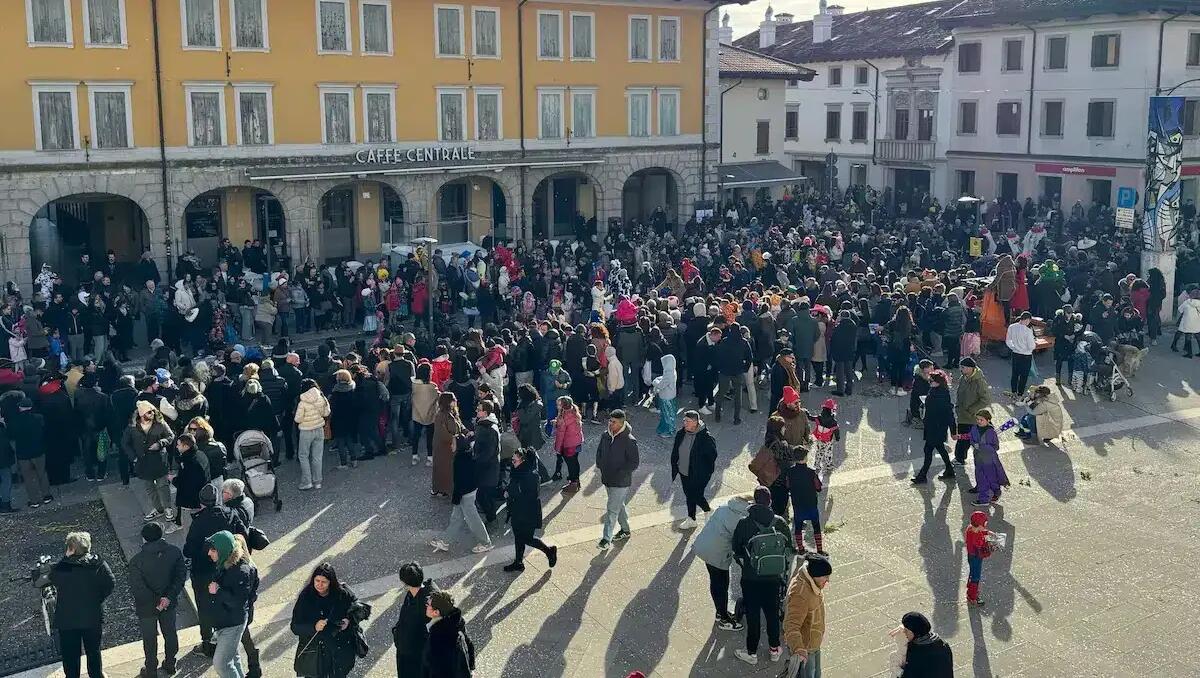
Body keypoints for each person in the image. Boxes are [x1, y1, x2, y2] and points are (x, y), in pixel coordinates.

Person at [731, 486, 796, 665]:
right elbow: (789, 547)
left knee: (753, 616)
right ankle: (775, 649)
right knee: (772, 614)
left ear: (753, 501)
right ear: (770, 502)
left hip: (751, 577)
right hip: (774, 577)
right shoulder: (779, 522)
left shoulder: (744, 523)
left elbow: (736, 548)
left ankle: (751, 653)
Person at [185, 484, 248, 658]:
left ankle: (208, 645)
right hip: (227, 567)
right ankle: (226, 641)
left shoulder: (199, 521)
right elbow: (242, 534)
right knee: (225, 603)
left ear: (201, 502)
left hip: (203, 572)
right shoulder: (230, 513)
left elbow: (189, 549)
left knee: (204, 608)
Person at [50, 531, 115, 678]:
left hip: (67, 619)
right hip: (92, 616)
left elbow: (53, 578)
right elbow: (110, 584)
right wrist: (98, 599)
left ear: (70, 549)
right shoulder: (98, 563)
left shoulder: (65, 567)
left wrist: (65, 558)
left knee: (70, 655)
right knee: (93, 651)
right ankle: (96, 675)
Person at [290, 562, 370, 678]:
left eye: (324, 582)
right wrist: (314, 627)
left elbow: (362, 609)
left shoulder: (342, 593)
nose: (320, 585)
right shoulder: (306, 597)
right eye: (317, 581)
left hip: (340, 650)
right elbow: (295, 626)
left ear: (331, 582)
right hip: (317, 655)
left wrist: (349, 620)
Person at [128, 522, 186, 678]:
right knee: (170, 633)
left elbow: (138, 587)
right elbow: (180, 577)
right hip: (169, 603)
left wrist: (155, 603)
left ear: (144, 539)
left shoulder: (136, 561)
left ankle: (151, 670)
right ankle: (170, 663)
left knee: (150, 639)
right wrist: (167, 598)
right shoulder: (174, 552)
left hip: (146, 607)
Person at [202, 531, 259, 678]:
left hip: (232, 623)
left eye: (213, 550)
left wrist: (218, 591)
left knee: (221, 663)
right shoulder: (226, 564)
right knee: (232, 658)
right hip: (225, 620)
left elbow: (238, 601)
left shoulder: (240, 572)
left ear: (223, 550)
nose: (209, 553)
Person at [429, 421, 492, 554]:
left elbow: (459, 483)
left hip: (465, 493)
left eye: (453, 443)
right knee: (457, 518)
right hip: (470, 490)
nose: (451, 445)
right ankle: (445, 541)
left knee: (472, 518)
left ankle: (486, 542)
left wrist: (456, 498)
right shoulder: (468, 455)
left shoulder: (459, 460)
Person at [690, 494, 749, 631]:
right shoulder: (741, 519)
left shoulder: (723, 508)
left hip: (704, 547)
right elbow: (739, 541)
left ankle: (719, 611)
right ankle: (724, 619)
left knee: (715, 581)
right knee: (722, 584)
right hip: (718, 553)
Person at [502, 447, 559, 573]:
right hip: (517, 510)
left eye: (515, 461)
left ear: (523, 461)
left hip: (528, 512)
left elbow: (529, 496)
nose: (512, 463)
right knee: (518, 536)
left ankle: (549, 551)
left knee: (526, 538)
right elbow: (512, 485)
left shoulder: (531, 476)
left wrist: (510, 493)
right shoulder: (517, 471)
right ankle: (518, 562)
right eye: (512, 460)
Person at [123, 400, 176, 523]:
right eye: (148, 412)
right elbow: (125, 443)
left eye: (152, 410)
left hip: (159, 460)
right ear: (141, 414)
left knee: (163, 486)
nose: (152, 413)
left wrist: (160, 443)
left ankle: (168, 508)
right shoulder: (132, 427)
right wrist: (134, 458)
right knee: (149, 487)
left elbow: (170, 436)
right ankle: (158, 509)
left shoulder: (160, 424)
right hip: (143, 461)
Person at [596, 409, 639, 550]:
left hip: (621, 482)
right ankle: (625, 530)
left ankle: (606, 539)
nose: (610, 424)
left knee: (611, 510)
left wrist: (620, 472)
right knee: (618, 506)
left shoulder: (630, 441)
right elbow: (599, 452)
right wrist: (600, 465)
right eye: (610, 421)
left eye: (614, 422)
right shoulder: (605, 436)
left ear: (621, 423)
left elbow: (634, 463)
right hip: (607, 478)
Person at [783, 554, 832, 678]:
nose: (827, 580)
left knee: (817, 674)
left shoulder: (813, 583)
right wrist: (799, 649)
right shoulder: (800, 594)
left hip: (814, 643)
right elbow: (791, 625)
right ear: (814, 575)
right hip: (806, 648)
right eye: (825, 576)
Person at [670, 410, 717, 529]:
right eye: (684, 420)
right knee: (688, 494)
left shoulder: (705, 437)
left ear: (696, 422)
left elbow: (712, 455)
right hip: (684, 471)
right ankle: (691, 518)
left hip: (699, 473)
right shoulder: (681, 433)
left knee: (696, 494)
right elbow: (676, 449)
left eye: (688, 421)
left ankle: (708, 510)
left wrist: (703, 468)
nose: (685, 423)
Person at [392, 562, 435, 677]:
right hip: (409, 648)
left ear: (405, 583)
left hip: (415, 652)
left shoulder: (426, 604)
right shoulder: (415, 593)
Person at [912, 371, 956, 484]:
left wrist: (953, 431)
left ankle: (922, 476)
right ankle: (949, 470)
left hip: (936, 428)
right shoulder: (935, 391)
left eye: (932, 381)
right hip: (933, 427)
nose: (929, 382)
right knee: (940, 449)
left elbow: (949, 414)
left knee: (928, 451)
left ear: (938, 382)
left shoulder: (942, 396)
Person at [10, 396, 52, 508]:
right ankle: (46, 496)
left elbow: (12, 435)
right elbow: (44, 431)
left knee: (28, 478)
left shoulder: (15, 421)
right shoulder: (39, 418)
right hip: (38, 451)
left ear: (20, 407)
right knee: (42, 473)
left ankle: (34, 500)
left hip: (23, 454)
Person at [422, 590, 476, 678]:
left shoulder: (437, 638)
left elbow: (436, 668)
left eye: (428, 605)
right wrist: (471, 668)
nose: (426, 605)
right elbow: (469, 644)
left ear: (436, 612)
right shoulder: (457, 623)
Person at [964, 410, 1010, 507]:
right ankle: (988, 490)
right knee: (980, 476)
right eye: (977, 419)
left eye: (981, 419)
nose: (979, 421)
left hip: (989, 459)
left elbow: (996, 447)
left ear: (988, 420)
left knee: (988, 477)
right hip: (978, 457)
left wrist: (982, 446)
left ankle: (985, 498)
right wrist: (969, 441)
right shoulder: (974, 428)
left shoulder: (991, 432)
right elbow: (971, 438)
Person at [294, 378, 331, 491]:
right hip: (319, 428)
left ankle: (307, 481)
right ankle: (317, 481)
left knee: (303, 456)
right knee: (317, 457)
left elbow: (298, 419)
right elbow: (326, 412)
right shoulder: (322, 397)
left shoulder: (302, 401)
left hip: (306, 430)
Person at [952, 358, 991, 465]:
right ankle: (960, 457)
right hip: (962, 414)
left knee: (964, 440)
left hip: (971, 417)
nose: (961, 369)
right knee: (964, 438)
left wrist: (972, 410)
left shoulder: (979, 382)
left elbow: (985, 399)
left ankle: (960, 459)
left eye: (963, 367)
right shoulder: (963, 377)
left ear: (971, 368)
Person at [787, 446, 825, 555]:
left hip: (798, 504)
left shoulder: (790, 472)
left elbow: (788, 486)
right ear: (805, 458)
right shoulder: (811, 472)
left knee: (798, 527)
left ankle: (801, 549)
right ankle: (820, 550)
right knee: (816, 526)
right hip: (811, 504)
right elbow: (818, 487)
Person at [897, 611, 954, 678]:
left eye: (906, 630)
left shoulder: (916, 653)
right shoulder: (943, 644)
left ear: (915, 632)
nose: (904, 632)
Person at [715, 323, 752, 424]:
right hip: (737, 371)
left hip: (725, 371)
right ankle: (736, 418)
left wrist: (719, 367)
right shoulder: (744, 342)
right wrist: (745, 368)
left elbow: (718, 355)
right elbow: (749, 357)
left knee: (721, 393)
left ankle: (717, 415)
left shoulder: (724, 341)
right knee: (738, 395)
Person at [432, 392, 464, 498]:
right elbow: (442, 433)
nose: (455, 401)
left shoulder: (452, 412)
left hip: (449, 446)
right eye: (453, 400)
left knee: (449, 470)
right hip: (444, 448)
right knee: (444, 469)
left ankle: (445, 489)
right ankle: (442, 489)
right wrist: (453, 438)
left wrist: (466, 431)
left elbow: (459, 424)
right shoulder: (440, 415)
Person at [552, 395, 584, 493]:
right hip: (577, 442)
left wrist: (557, 448)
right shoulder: (574, 412)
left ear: (563, 406)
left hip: (569, 445)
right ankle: (576, 480)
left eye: (558, 404)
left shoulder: (563, 418)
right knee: (575, 461)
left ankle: (573, 483)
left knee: (571, 464)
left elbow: (561, 435)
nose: (557, 406)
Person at [964, 510, 996, 606]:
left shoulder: (971, 529)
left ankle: (970, 589)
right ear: (979, 525)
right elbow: (981, 548)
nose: (985, 526)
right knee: (976, 576)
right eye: (984, 524)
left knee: (972, 572)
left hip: (972, 556)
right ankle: (972, 597)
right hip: (976, 557)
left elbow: (981, 532)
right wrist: (991, 546)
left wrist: (988, 533)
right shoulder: (975, 536)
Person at [1005, 311, 1036, 398]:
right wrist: (1032, 346)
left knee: (1015, 374)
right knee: (1024, 375)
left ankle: (1013, 391)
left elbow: (1008, 341)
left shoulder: (1012, 327)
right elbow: (1031, 346)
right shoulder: (1028, 331)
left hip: (1015, 354)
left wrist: (1014, 348)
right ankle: (1020, 393)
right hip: (1026, 355)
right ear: (1027, 320)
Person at [808, 399, 840, 475]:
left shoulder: (819, 417)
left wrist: (806, 413)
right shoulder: (833, 422)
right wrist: (837, 438)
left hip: (820, 439)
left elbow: (811, 418)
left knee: (819, 452)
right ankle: (828, 466)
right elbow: (836, 431)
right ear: (831, 410)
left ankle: (817, 465)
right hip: (828, 441)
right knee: (828, 453)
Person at [651, 353, 678, 437]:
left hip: (666, 397)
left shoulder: (668, 373)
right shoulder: (671, 371)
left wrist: (655, 381)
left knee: (666, 415)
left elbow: (661, 385)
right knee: (669, 413)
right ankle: (669, 429)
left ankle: (667, 431)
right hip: (670, 396)